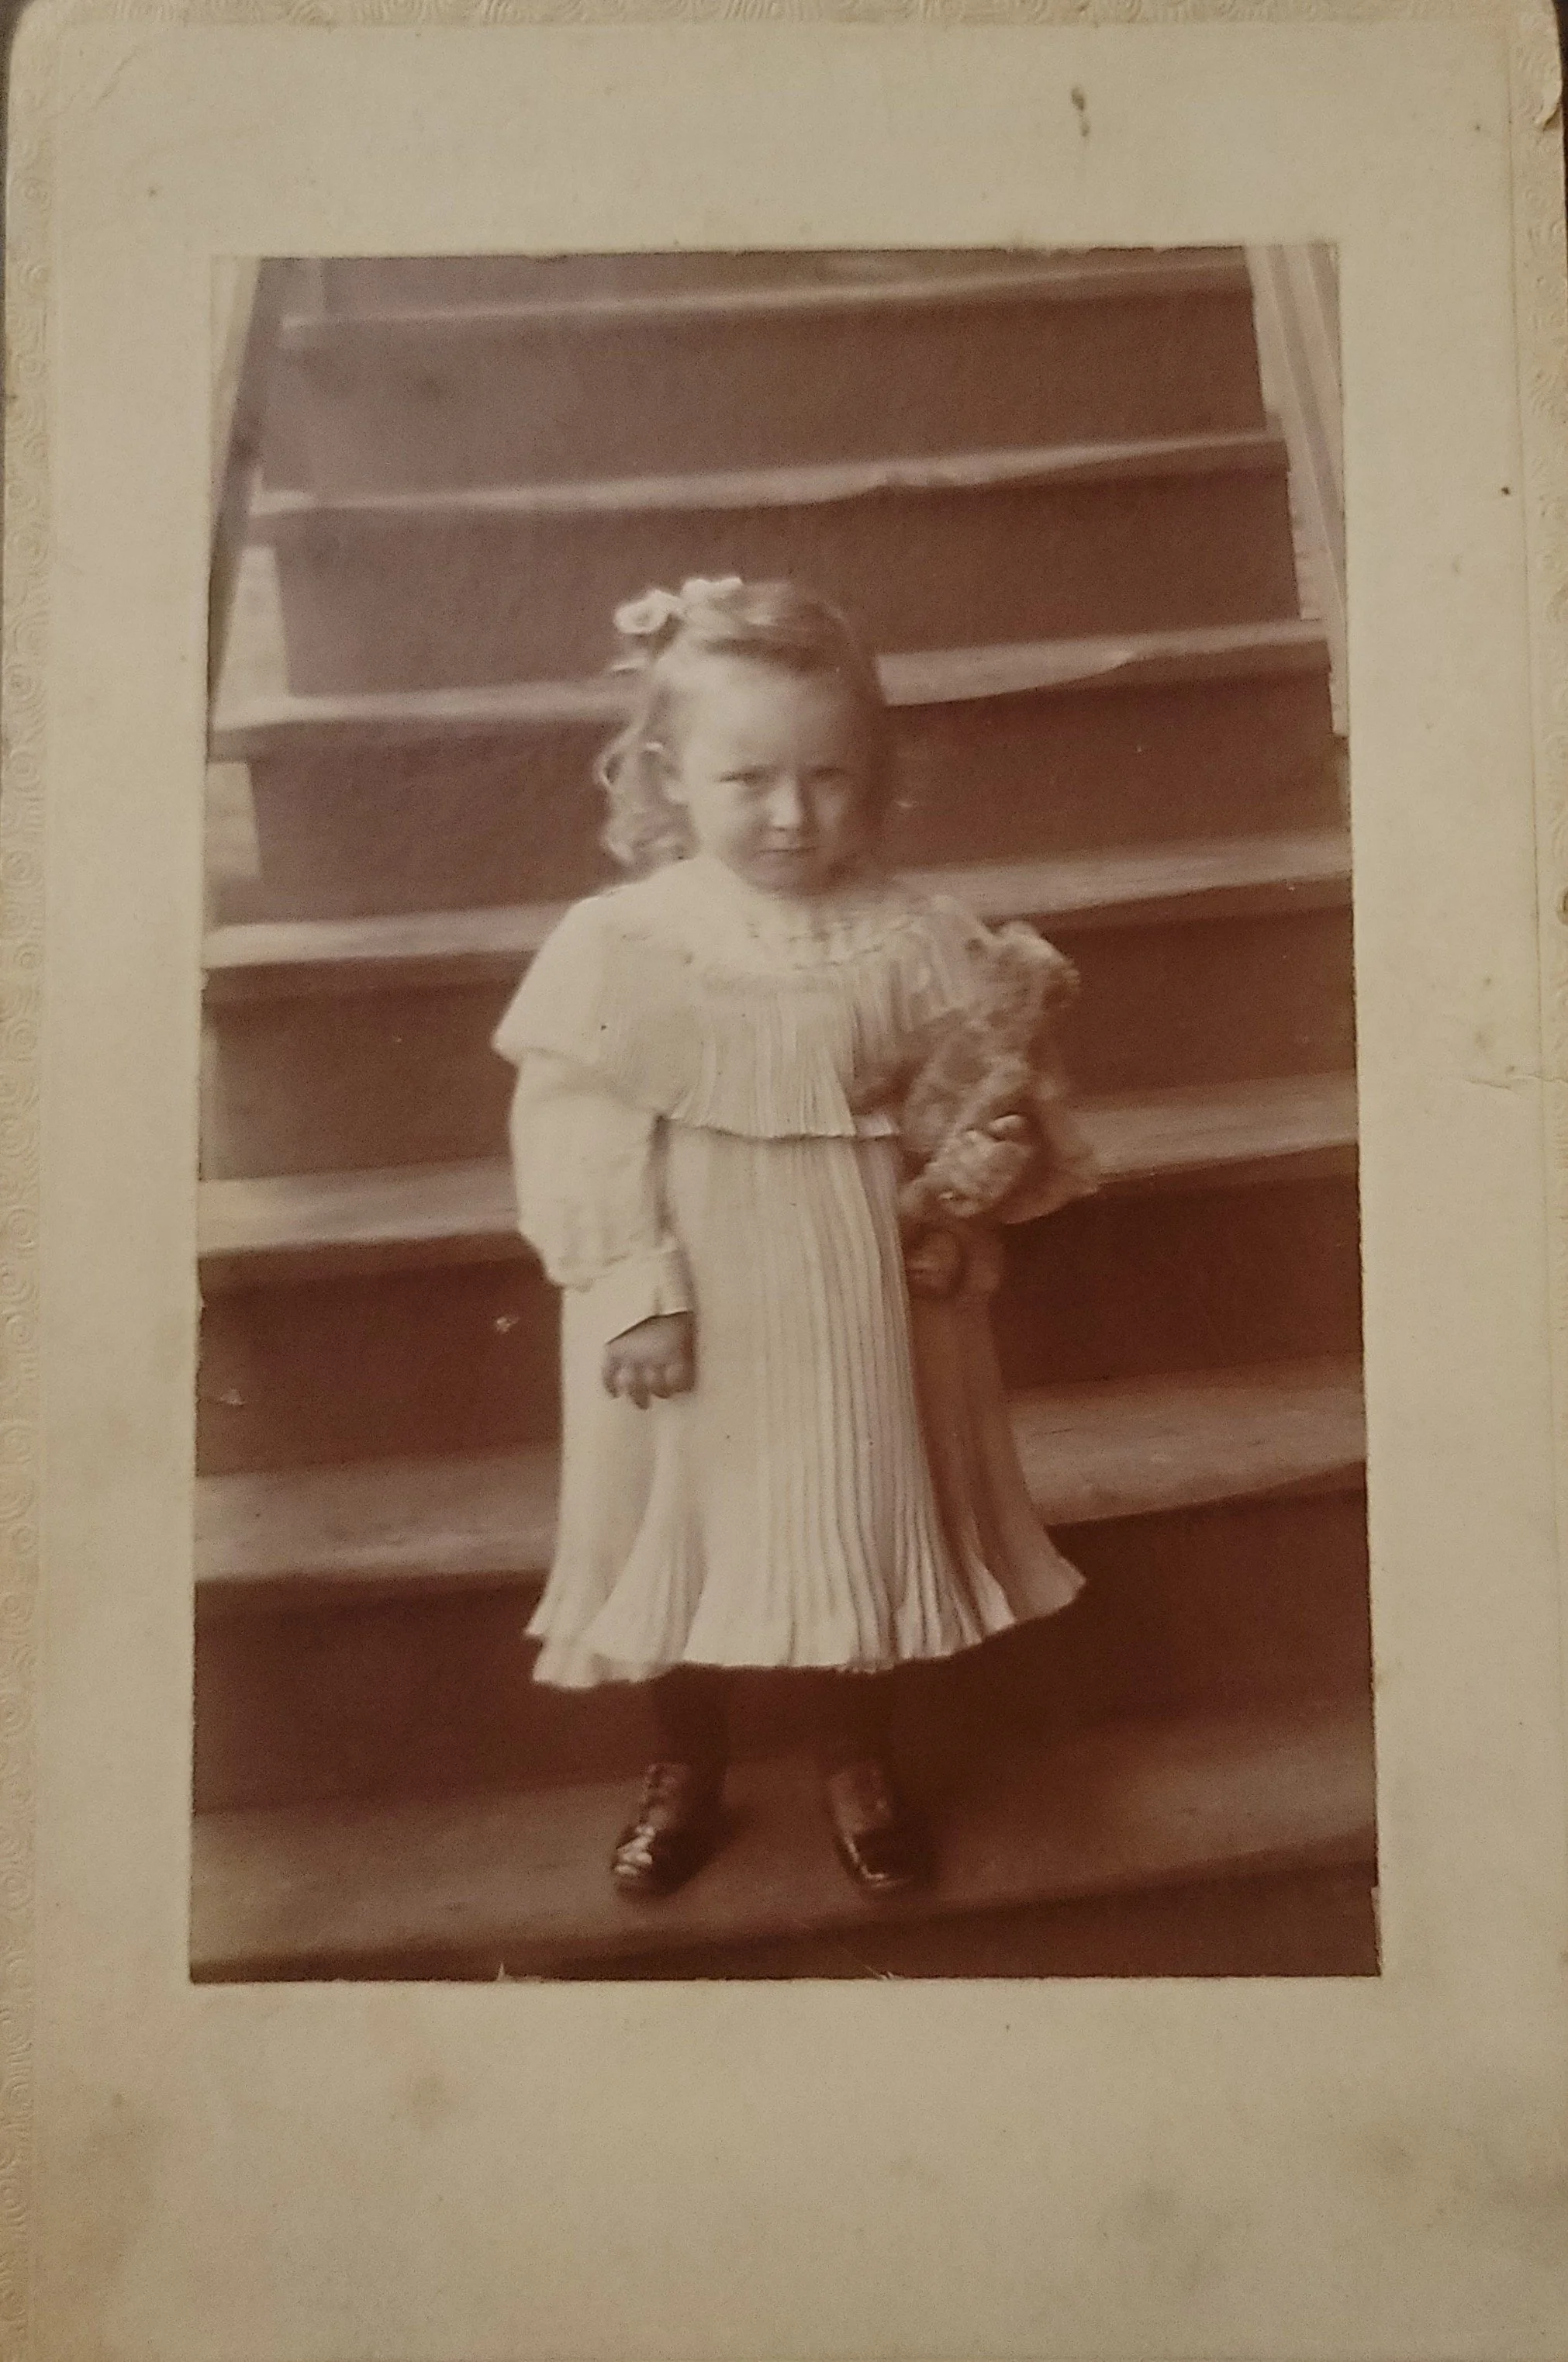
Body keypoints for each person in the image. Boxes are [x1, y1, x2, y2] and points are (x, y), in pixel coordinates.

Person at [492, 575, 1096, 1903]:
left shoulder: (917, 935)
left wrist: (964, 1202)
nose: (789, 815)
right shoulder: (628, 940)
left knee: (850, 1514)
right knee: (681, 1525)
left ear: (872, 775)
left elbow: (981, 1101)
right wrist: (639, 1287)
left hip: (856, 1290)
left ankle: (856, 1759)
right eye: (747, 778)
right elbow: (578, 1123)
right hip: (685, 1287)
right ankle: (684, 1766)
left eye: (828, 777)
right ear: (667, 773)